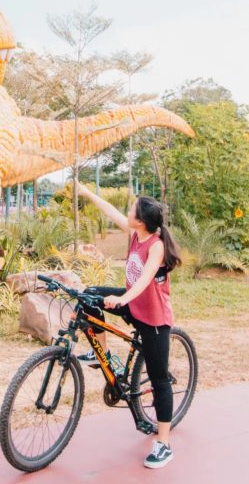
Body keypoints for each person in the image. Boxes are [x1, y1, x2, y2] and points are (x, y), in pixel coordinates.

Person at [75, 181, 181, 469]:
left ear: (142, 220)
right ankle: (103, 355)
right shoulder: (137, 233)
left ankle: (164, 444)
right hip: (134, 304)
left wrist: (121, 301)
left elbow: (145, 280)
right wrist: (87, 193)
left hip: (154, 317)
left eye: (132, 209)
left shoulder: (155, 246)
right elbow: (111, 212)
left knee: (160, 380)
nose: (127, 212)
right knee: (89, 296)